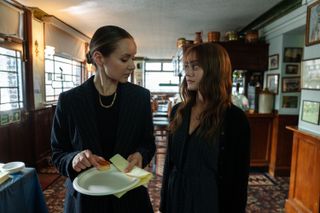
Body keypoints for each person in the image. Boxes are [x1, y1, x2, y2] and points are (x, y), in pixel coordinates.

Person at [51, 25, 155, 213]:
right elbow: (58, 152)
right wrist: (74, 158)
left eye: (133, 57)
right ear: (99, 58)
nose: (132, 65)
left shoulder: (140, 97)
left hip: (130, 197)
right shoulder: (69, 101)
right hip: (86, 200)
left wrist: (141, 154)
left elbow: (148, 143)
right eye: (125, 59)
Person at [160, 42, 251, 213]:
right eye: (186, 66)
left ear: (214, 70)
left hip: (208, 199)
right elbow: (169, 163)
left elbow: (238, 180)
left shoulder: (235, 119)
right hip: (176, 194)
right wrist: (164, 204)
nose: (188, 72)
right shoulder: (178, 111)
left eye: (195, 67)